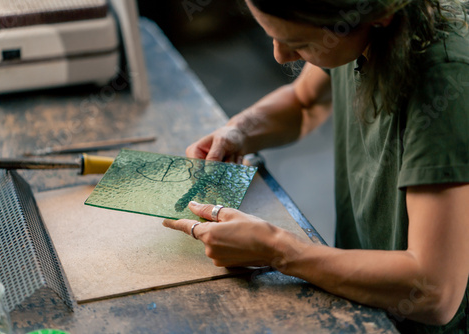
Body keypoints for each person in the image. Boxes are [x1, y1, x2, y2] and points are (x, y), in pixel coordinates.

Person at [163, 0, 469, 332]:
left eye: (301, 43)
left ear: (377, 17)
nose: (280, 55)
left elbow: (435, 291)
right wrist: (239, 131)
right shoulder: (352, 30)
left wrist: (279, 251)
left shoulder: (444, 81)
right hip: (365, 294)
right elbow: (304, 103)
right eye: (273, 36)